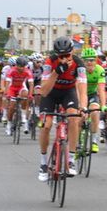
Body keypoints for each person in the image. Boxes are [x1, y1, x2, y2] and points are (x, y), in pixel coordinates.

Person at [37, 38, 88, 180]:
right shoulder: (49, 62)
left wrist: (83, 107)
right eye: (61, 56)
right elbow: (44, 92)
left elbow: (82, 90)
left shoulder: (79, 63)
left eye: (67, 55)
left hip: (68, 92)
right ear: (56, 55)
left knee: (73, 117)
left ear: (72, 52)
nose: (64, 59)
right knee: (46, 125)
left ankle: (71, 160)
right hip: (51, 93)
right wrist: (56, 72)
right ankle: (43, 163)